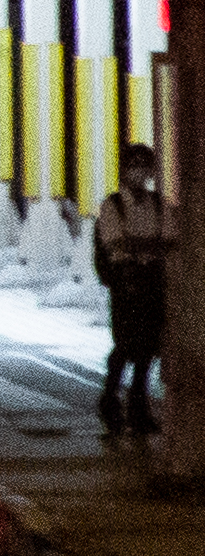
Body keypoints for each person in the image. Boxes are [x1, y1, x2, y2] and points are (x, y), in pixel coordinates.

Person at [100, 146, 173, 438]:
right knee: (126, 344)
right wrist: (146, 245)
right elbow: (115, 245)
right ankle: (110, 400)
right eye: (134, 165)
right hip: (125, 284)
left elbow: (168, 242)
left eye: (145, 166)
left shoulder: (158, 204)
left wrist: (136, 244)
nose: (140, 172)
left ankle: (138, 408)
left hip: (152, 282)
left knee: (148, 350)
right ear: (124, 169)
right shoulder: (113, 205)